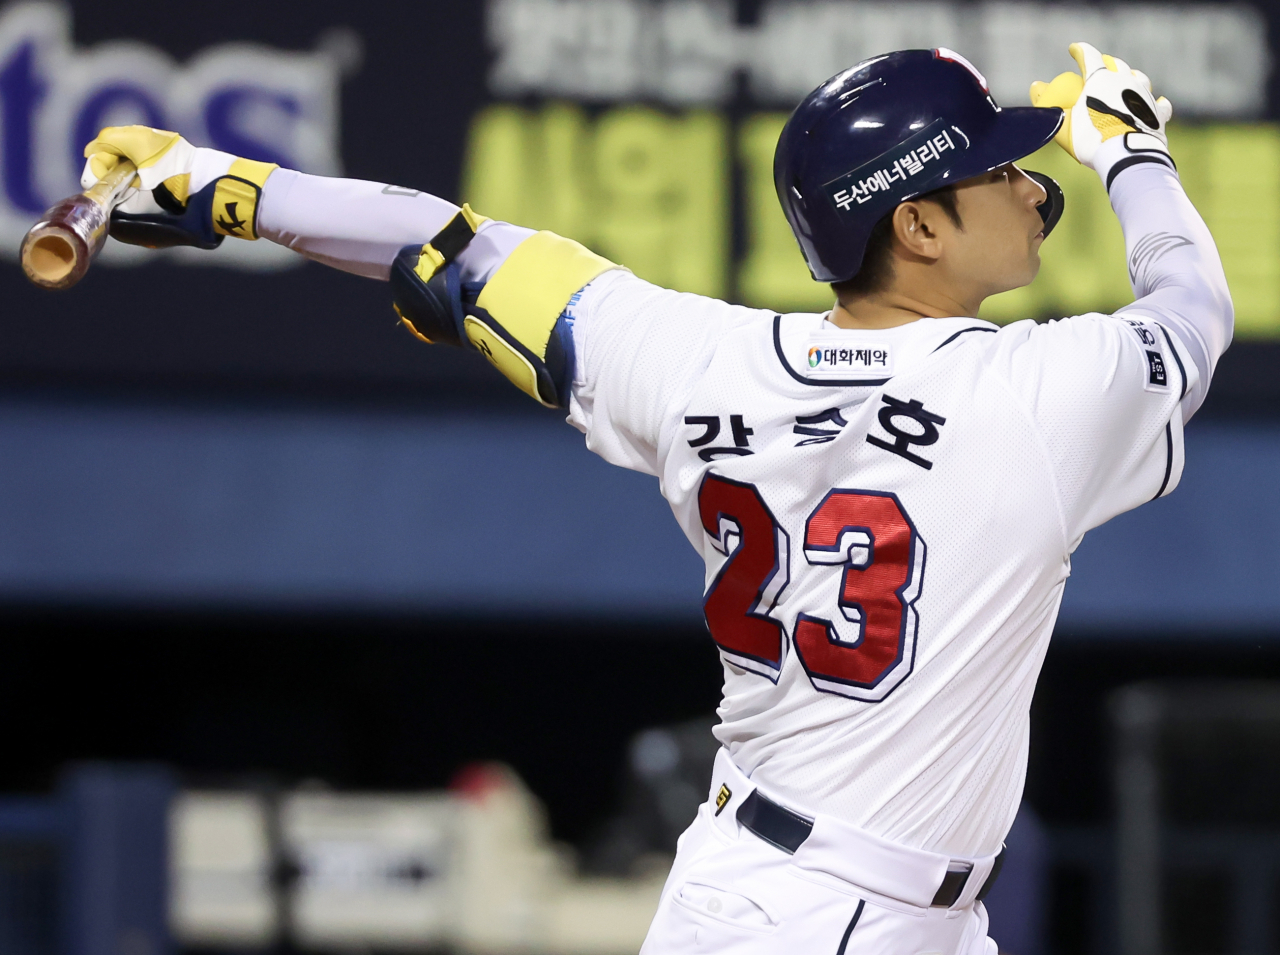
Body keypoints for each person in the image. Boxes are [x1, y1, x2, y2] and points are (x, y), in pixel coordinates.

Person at [80, 42, 1230, 955]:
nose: (1030, 183)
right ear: (915, 224)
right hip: (828, 911)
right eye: (994, 168)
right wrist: (1129, 151)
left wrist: (222, 187)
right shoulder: (1035, 392)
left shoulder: (695, 359)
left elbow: (450, 247)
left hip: (808, 889)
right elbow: (1188, 309)